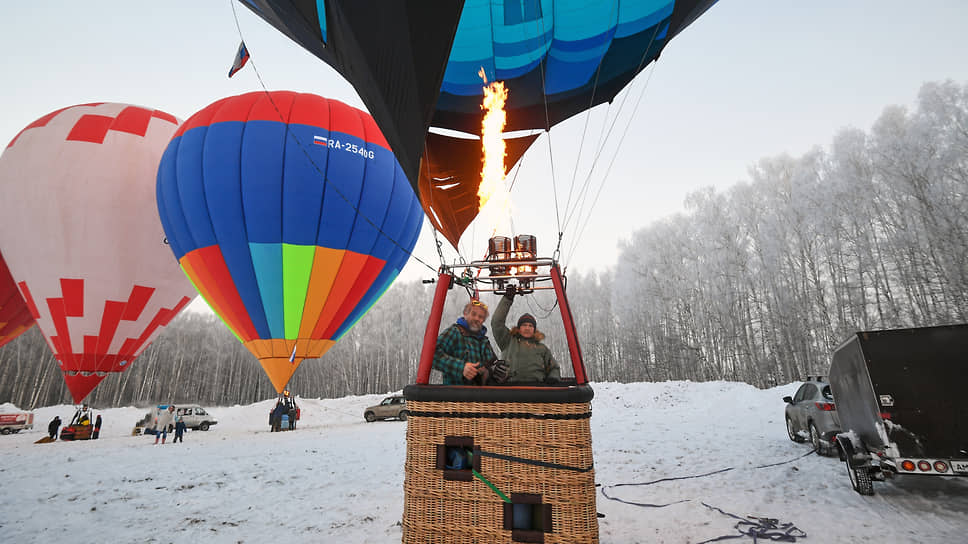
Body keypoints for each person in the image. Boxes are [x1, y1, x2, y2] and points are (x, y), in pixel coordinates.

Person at [491, 285, 561, 384]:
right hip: (510, 389)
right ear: (519, 328)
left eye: (530, 326)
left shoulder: (542, 348)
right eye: (524, 325)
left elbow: (554, 368)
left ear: (534, 329)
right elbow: (496, 323)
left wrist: (553, 379)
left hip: (536, 390)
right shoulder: (507, 341)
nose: (527, 328)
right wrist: (507, 299)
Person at [433, 298, 498, 385]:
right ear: (465, 314)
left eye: (481, 317)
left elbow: (491, 364)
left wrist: (496, 372)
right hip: (457, 394)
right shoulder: (455, 332)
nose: (477, 319)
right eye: (474, 314)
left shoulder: (484, 341)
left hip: (480, 395)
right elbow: (432, 355)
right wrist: (461, 368)